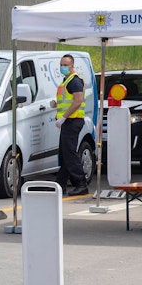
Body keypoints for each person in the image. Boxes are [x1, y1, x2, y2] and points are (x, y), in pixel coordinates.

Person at [54, 54, 88, 196]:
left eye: (66, 64)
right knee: (64, 154)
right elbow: (67, 101)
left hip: (72, 121)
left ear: (72, 66)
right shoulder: (66, 81)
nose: (63, 67)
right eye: (61, 64)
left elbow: (78, 101)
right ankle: (60, 185)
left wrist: (63, 117)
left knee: (70, 154)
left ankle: (81, 183)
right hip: (69, 121)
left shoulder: (74, 81)